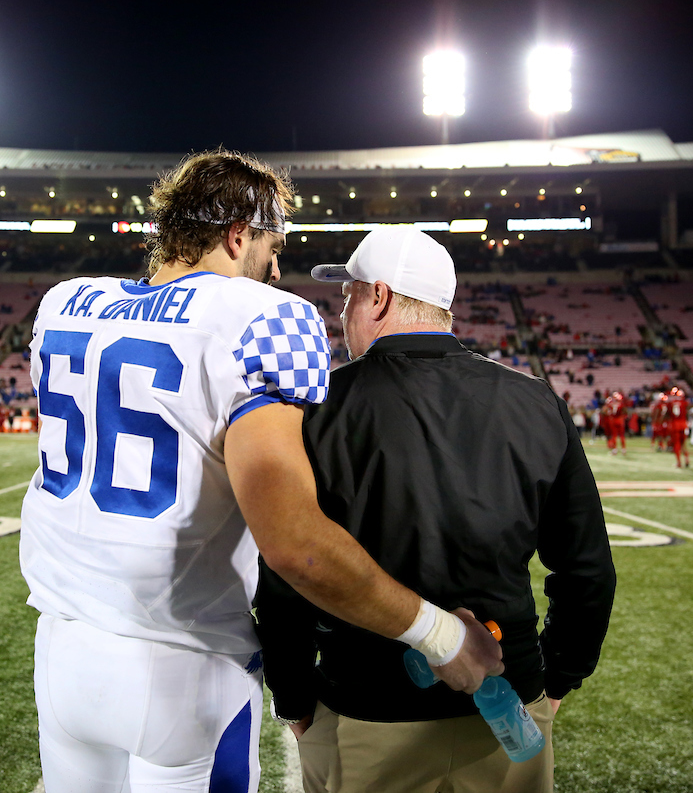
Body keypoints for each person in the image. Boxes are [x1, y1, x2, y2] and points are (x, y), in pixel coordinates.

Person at [18, 151, 503, 793]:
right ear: (237, 233)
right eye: (272, 246)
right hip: (183, 671)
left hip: (61, 653)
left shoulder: (67, 303)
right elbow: (295, 545)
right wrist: (442, 636)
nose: (277, 269)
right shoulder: (264, 315)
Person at [254, 228, 616, 793]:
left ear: (379, 297)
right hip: (507, 707)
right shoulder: (537, 400)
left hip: (365, 708)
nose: (343, 311)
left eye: (347, 295)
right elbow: (586, 569)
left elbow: (288, 572)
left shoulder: (318, 406)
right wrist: (557, 675)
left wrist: (295, 696)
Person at [666, 387, 690, 468]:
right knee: (684, 444)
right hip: (683, 425)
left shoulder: (670, 403)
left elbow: (668, 413)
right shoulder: (684, 402)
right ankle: (687, 459)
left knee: (676, 444)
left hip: (675, 425)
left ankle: (679, 462)